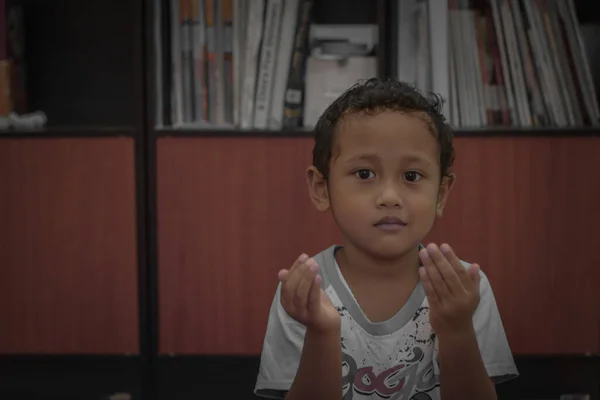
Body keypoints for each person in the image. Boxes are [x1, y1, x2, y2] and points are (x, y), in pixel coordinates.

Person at [254, 78, 518, 400]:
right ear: (322, 189)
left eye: (412, 176)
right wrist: (321, 334)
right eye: (365, 174)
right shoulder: (305, 292)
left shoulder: (463, 288)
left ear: (441, 193)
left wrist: (456, 327)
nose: (390, 197)